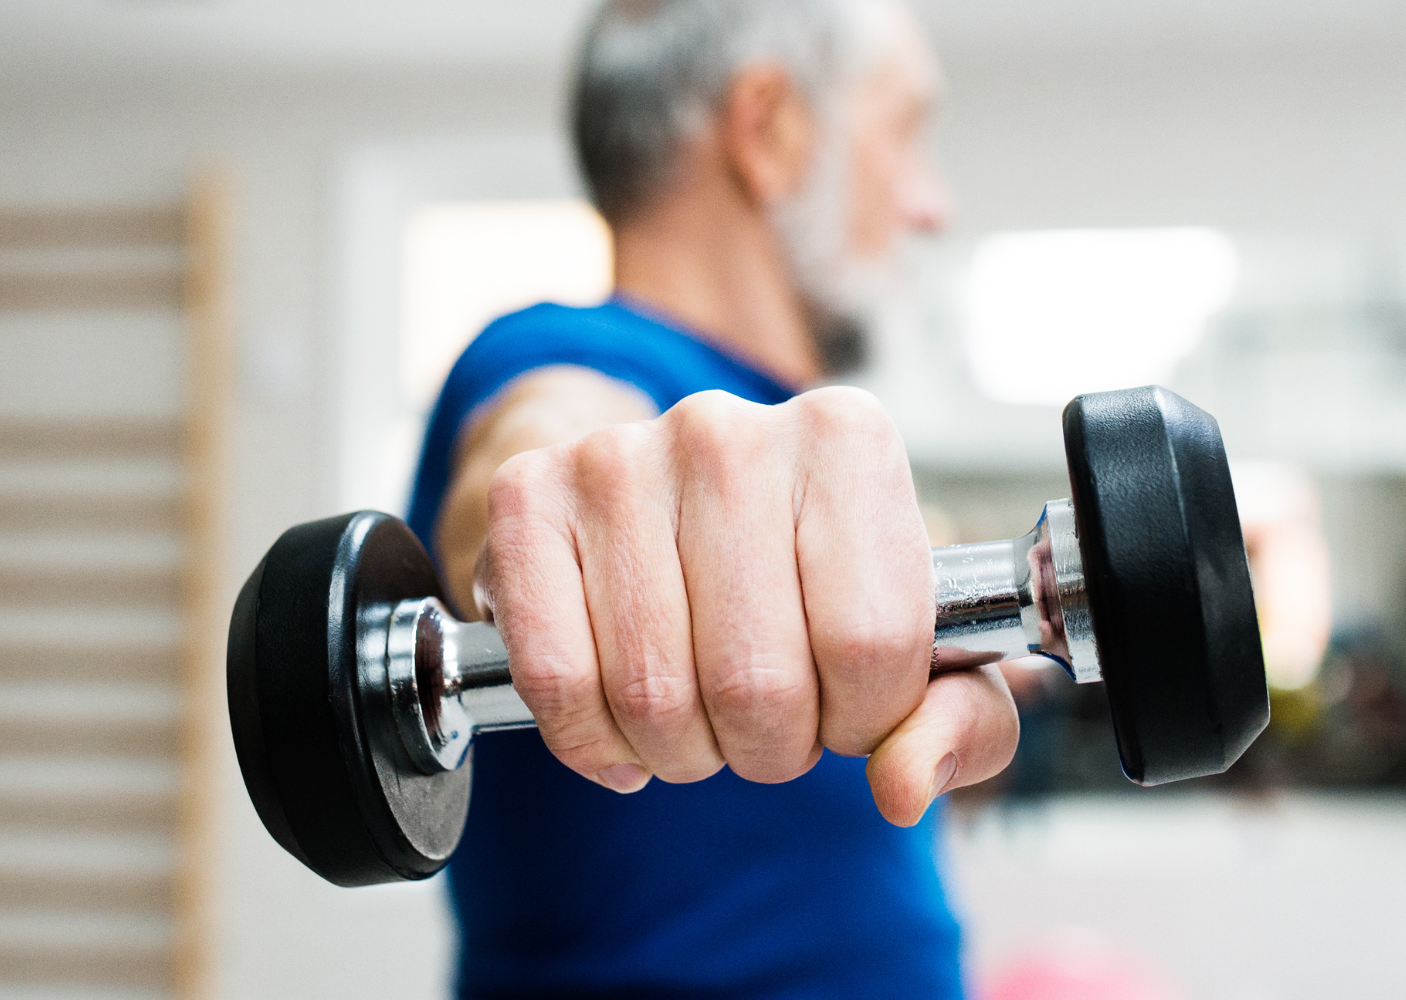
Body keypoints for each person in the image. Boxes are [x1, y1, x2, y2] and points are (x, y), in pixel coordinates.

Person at [406, 1, 1019, 995]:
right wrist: (572, 513)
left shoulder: (799, 444)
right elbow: (547, 452)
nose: (931, 204)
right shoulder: (563, 356)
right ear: (768, 129)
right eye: (906, 131)